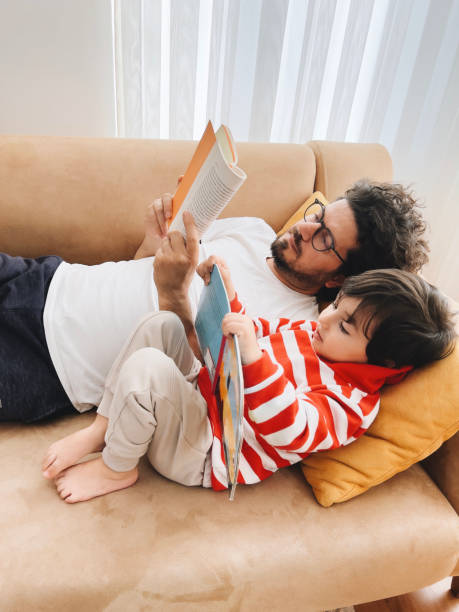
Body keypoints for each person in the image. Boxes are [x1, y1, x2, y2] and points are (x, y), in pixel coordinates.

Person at [41, 213, 455, 503]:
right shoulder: (314, 334)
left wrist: (256, 360)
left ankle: (116, 468)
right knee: (162, 325)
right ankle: (102, 428)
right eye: (337, 307)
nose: (327, 321)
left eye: (345, 326)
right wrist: (227, 290)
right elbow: (255, 328)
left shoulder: (350, 405)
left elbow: (291, 428)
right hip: (200, 400)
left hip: (203, 450)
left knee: (147, 370)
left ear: (384, 365)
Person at [1, 179, 429, 423]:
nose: (304, 228)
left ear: (338, 278)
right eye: (318, 216)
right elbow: (138, 269)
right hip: (49, 278)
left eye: (324, 238)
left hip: (50, 366)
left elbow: (187, 391)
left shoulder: (287, 332)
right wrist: (153, 240)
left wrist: (173, 296)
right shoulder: (253, 229)